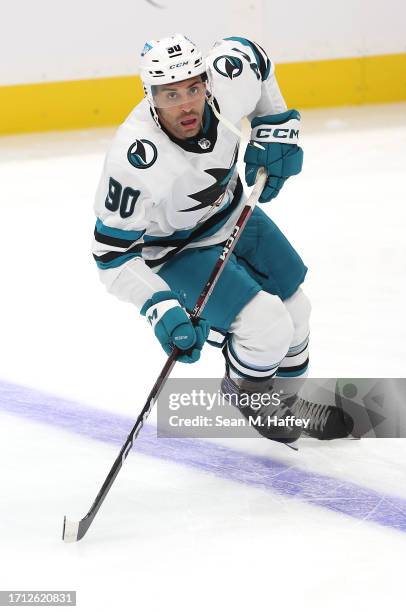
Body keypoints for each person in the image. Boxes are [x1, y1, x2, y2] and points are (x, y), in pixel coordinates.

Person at [92, 33, 352, 444]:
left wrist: (275, 124)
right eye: (170, 94)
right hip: (175, 249)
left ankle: (282, 404)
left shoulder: (228, 78)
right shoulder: (136, 156)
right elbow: (111, 256)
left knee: (297, 311)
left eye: (194, 88)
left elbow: (255, 57)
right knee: (265, 325)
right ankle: (246, 393)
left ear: (207, 82)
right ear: (150, 96)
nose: (186, 104)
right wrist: (158, 306)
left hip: (233, 212)